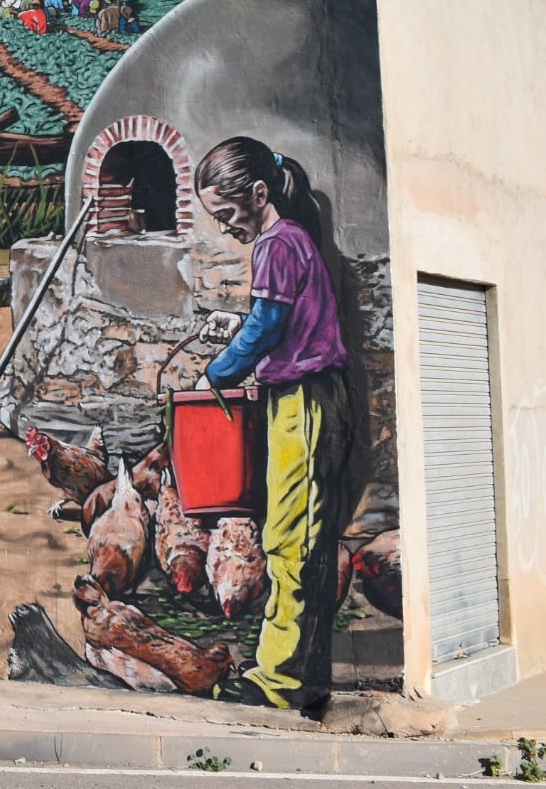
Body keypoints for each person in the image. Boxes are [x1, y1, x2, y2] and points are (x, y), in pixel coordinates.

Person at [192, 136, 350, 713]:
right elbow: (273, 317)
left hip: (304, 401)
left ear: (259, 194)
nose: (225, 227)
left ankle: (280, 682)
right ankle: (294, 674)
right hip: (296, 397)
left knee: (290, 540)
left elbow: (266, 326)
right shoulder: (286, 243)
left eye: (229, 214)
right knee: (296, 536)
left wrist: (221, 369)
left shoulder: (279, 243)